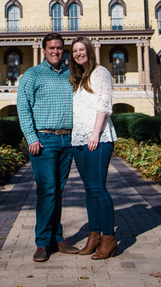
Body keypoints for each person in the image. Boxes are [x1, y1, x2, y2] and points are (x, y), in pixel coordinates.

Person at [17, 33, 80, 262]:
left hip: (67, 141)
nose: (56, 51)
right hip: (44, 141)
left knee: (58, 191)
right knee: (47, 190)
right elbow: (23, 108)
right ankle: (43, 243)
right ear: (43, 50)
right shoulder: (32, 75)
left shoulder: (70, 74)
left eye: (60, 48)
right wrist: (31, 138)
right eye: (52, 48)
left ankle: (57, 237)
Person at [69, 37, 118, 259]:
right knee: (89, 190)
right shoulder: (79, 78)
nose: (78, 53)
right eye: (75, 51)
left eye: (82, 49)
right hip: (78, 140)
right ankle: (93, 236)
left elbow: (104, 104)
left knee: (98, 188)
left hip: (98, 139)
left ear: (89, 50)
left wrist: (95, 133)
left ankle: (109, 239)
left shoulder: (100, 73)